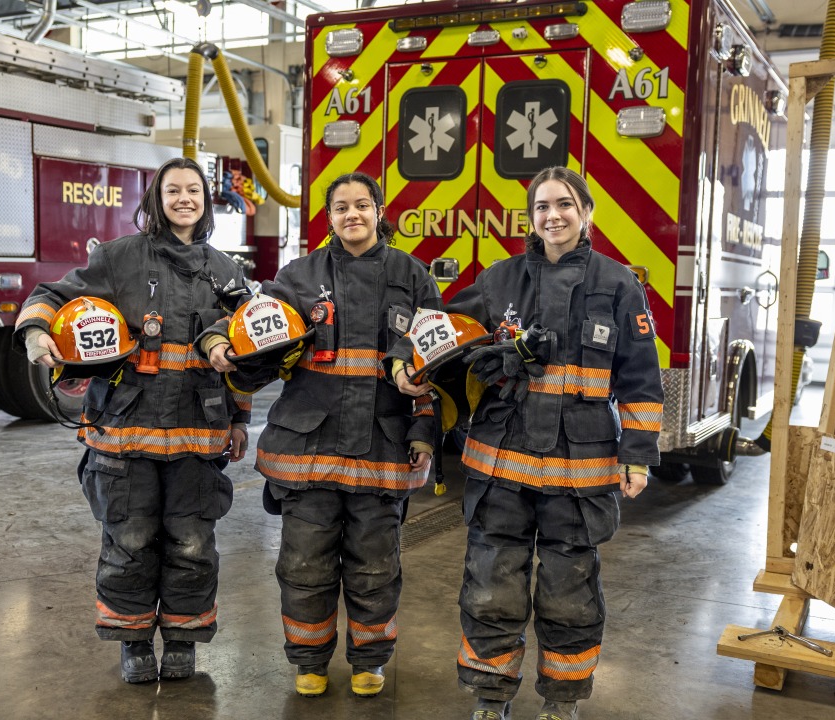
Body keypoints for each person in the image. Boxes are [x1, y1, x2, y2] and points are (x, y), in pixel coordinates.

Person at [409, 167, 662, 720]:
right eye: (543, 206)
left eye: (565, 204)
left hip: (582, 466)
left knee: (569, 586)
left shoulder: (619, 285)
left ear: (586, 212)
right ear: (530, 218)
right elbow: (443, 333)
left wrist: (638, 456)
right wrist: (410, 365)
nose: (554, 215)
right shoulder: (498, 281)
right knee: (491, 581)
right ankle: (490, 694)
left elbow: (641, 378)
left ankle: (561, 699)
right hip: (501, 464)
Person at [202, 172, 441, 698]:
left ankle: (369, 661)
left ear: (380, 211)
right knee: (304, 566)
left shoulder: (413, 276)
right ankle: (308, 661)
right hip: (307, 454)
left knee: (375, 570)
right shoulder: (299, 276)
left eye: (361, 205)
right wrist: (222, 340)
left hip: (383, 449)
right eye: (340, 208)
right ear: (329, 217)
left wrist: (424, 436)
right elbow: (253, 323)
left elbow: (432, 362)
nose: (351, 215)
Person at [13, 156, 250, 684]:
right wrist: (36, 333)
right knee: (130, 541)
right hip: (123, 437)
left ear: (206, 201)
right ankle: (134, 640)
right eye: (173, 191)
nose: (184, 199)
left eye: (193, 190)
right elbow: (50, 295)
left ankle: (185, 640)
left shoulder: (225, 270)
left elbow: (244, 353)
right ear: (156, 199)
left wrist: (239, 420)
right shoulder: (118, 259)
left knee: (192, 544)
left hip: (198, 437)